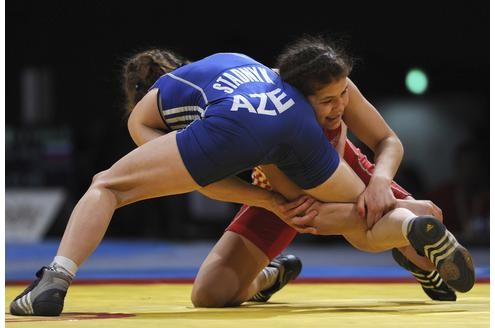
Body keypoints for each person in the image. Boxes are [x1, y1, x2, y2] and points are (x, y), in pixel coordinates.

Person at [10, 39, 474, 316]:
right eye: (329, 100)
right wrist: (271, 197)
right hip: (297, 157)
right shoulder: (263, 72)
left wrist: (277, 196)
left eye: (338, 98)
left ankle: (55, 278)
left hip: (293, 164)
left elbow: (198, 177)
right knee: (214, 291)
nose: (336, 104)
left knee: (106, 185)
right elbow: (268, 130)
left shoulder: (153, 108)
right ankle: (409, 224)